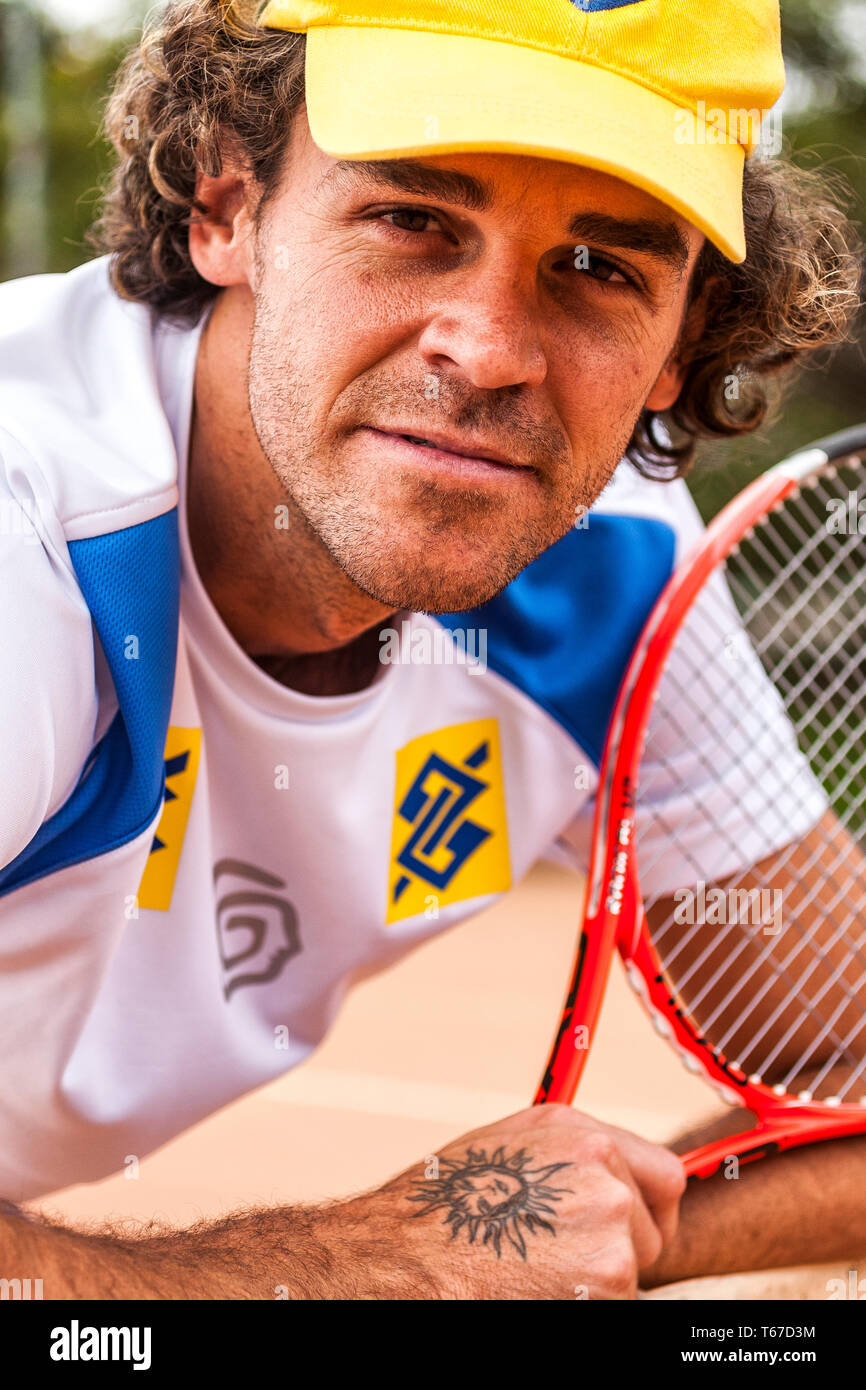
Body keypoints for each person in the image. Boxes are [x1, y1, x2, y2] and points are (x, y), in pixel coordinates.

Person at [0, 0, 862, 1300]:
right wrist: (356, 1270)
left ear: (679, 347)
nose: (489, 350)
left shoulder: (612, 563)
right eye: (412, 220)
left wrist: (565, 1234)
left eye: (598, 268)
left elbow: (842, 1067)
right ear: (225, 203)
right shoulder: (36, 524)